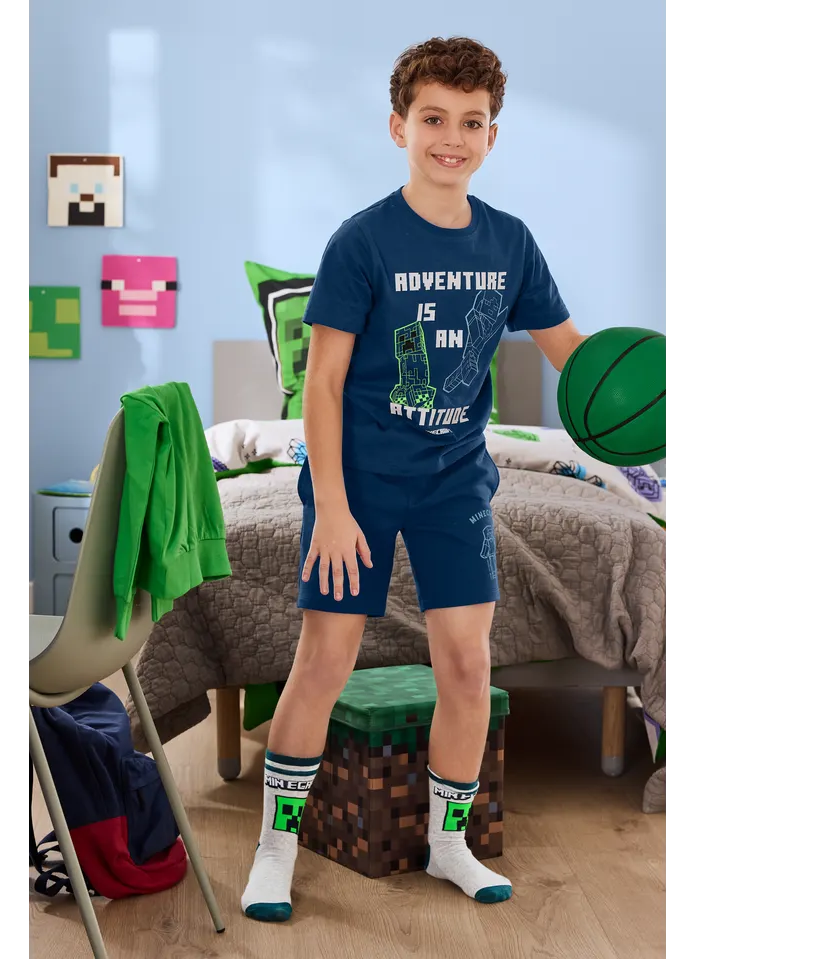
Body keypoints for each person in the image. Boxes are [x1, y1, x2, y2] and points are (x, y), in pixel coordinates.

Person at [241, 35, 585, 922]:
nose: (452, 137)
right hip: (355, 480)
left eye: (472, 123)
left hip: (453, 482)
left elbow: (573, 357)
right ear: (400, 126)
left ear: (491, 138)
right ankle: (274, 851)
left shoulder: (511, 242)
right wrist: (332, 509)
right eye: (434, 118)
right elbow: (320, 381)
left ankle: (448, 843)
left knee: (467, 667)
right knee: (323, 660)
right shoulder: (362, 240)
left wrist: (641, 387)